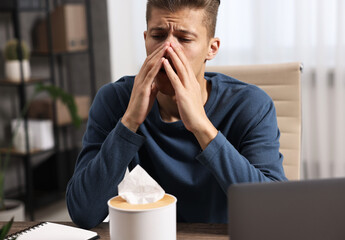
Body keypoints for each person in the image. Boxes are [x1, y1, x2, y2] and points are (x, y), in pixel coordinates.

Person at [66, 0, 287, 229]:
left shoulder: (251, 105)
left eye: (184, 39)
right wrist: (130, 121)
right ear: (145, 40)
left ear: (212, 48)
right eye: (158, 36)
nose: (168, 50)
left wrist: (202, 126)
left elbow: (273, 211)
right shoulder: (115, 100)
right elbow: (84, 212)